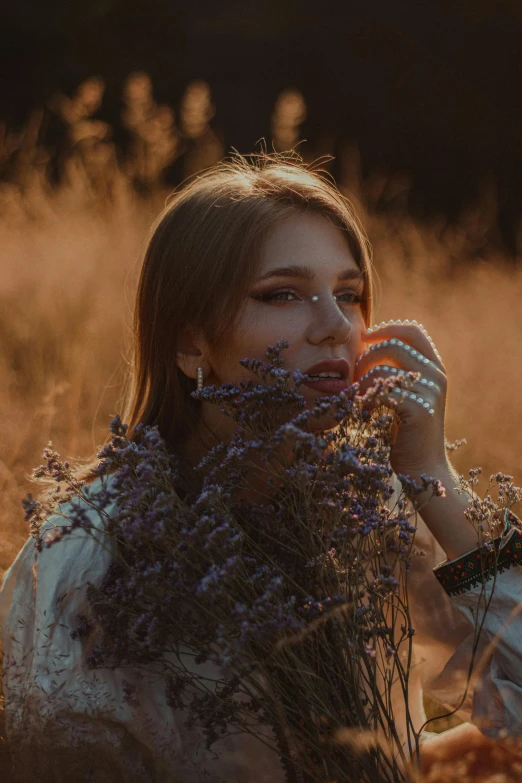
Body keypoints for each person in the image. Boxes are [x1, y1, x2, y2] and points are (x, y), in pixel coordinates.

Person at [1, 153, 521, 781]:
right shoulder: (88, 554)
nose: (335, 327)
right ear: (192, 341)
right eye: (283, 294)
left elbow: (511, 710)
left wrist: (433, 477)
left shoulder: (373, 513)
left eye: (349, 294)